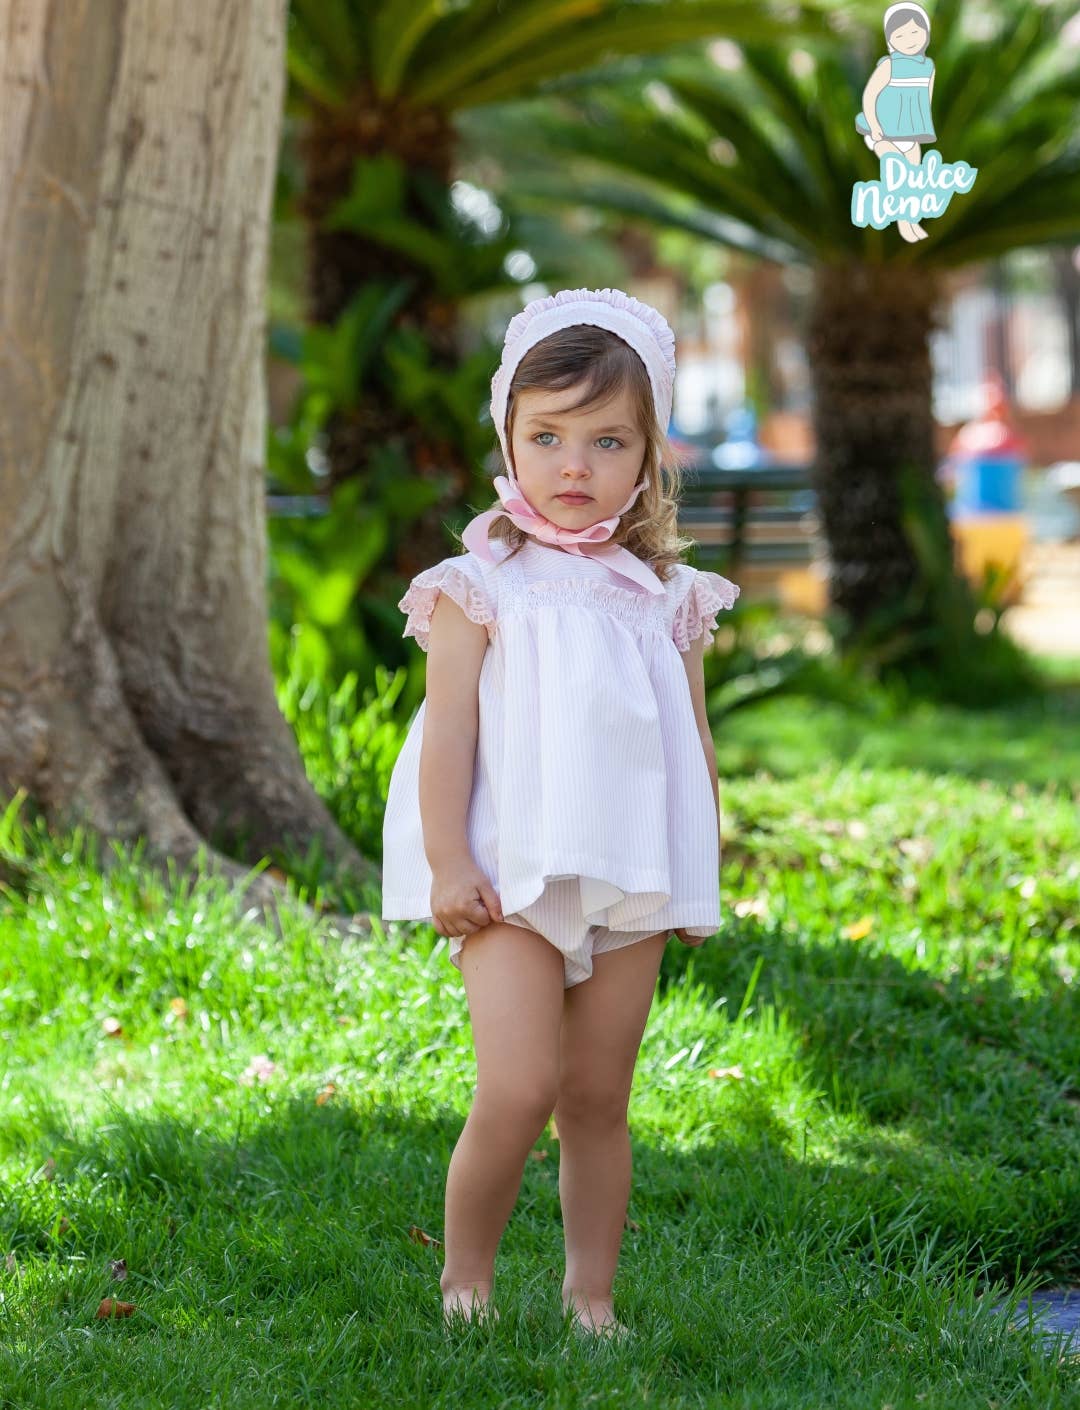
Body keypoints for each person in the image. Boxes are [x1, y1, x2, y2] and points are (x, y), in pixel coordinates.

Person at [380, 286, 741, 1340]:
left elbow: (692, 746)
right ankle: (466, 1286)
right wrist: (449, 861)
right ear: (509, 439)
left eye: (606, 441)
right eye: (547, 437)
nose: (574, 465)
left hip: (631, 876)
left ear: (648, 457)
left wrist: (697, 875)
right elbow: (447, 735)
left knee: (595, 1098)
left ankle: (591, 1300)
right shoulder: (477, 587)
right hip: (508, 873)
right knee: (520, 1086)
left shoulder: (668, 600)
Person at [854, 2, 936, 242]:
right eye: (900, 35)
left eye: (914, 32)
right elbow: (870, 95)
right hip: (884, 131)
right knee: (897, 175)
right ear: (891, 40)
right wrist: (875, 126)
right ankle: (903, 225)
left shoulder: (928, 66)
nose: (909, 39)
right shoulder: (889, 65)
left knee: (911, 182)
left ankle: (908, 223)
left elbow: (926, 98)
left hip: (910, 132)